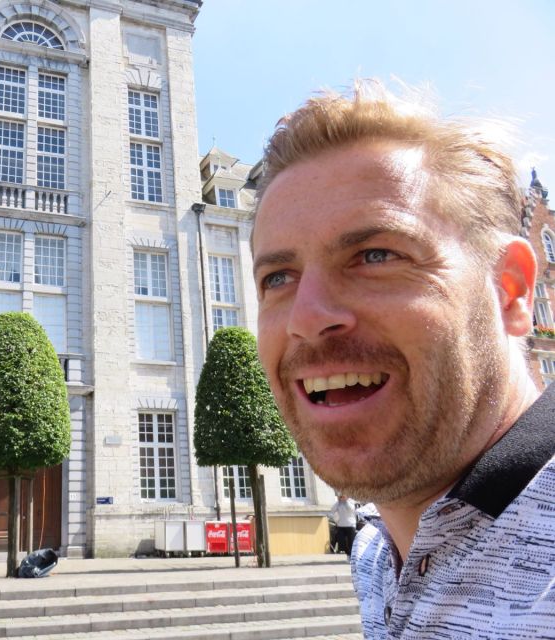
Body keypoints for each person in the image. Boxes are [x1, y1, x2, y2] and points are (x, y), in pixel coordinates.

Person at [251, 80, 554, 638]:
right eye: (278, 277)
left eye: (375, 254)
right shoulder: (374, 550)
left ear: (511, 290)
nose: (306, 316)